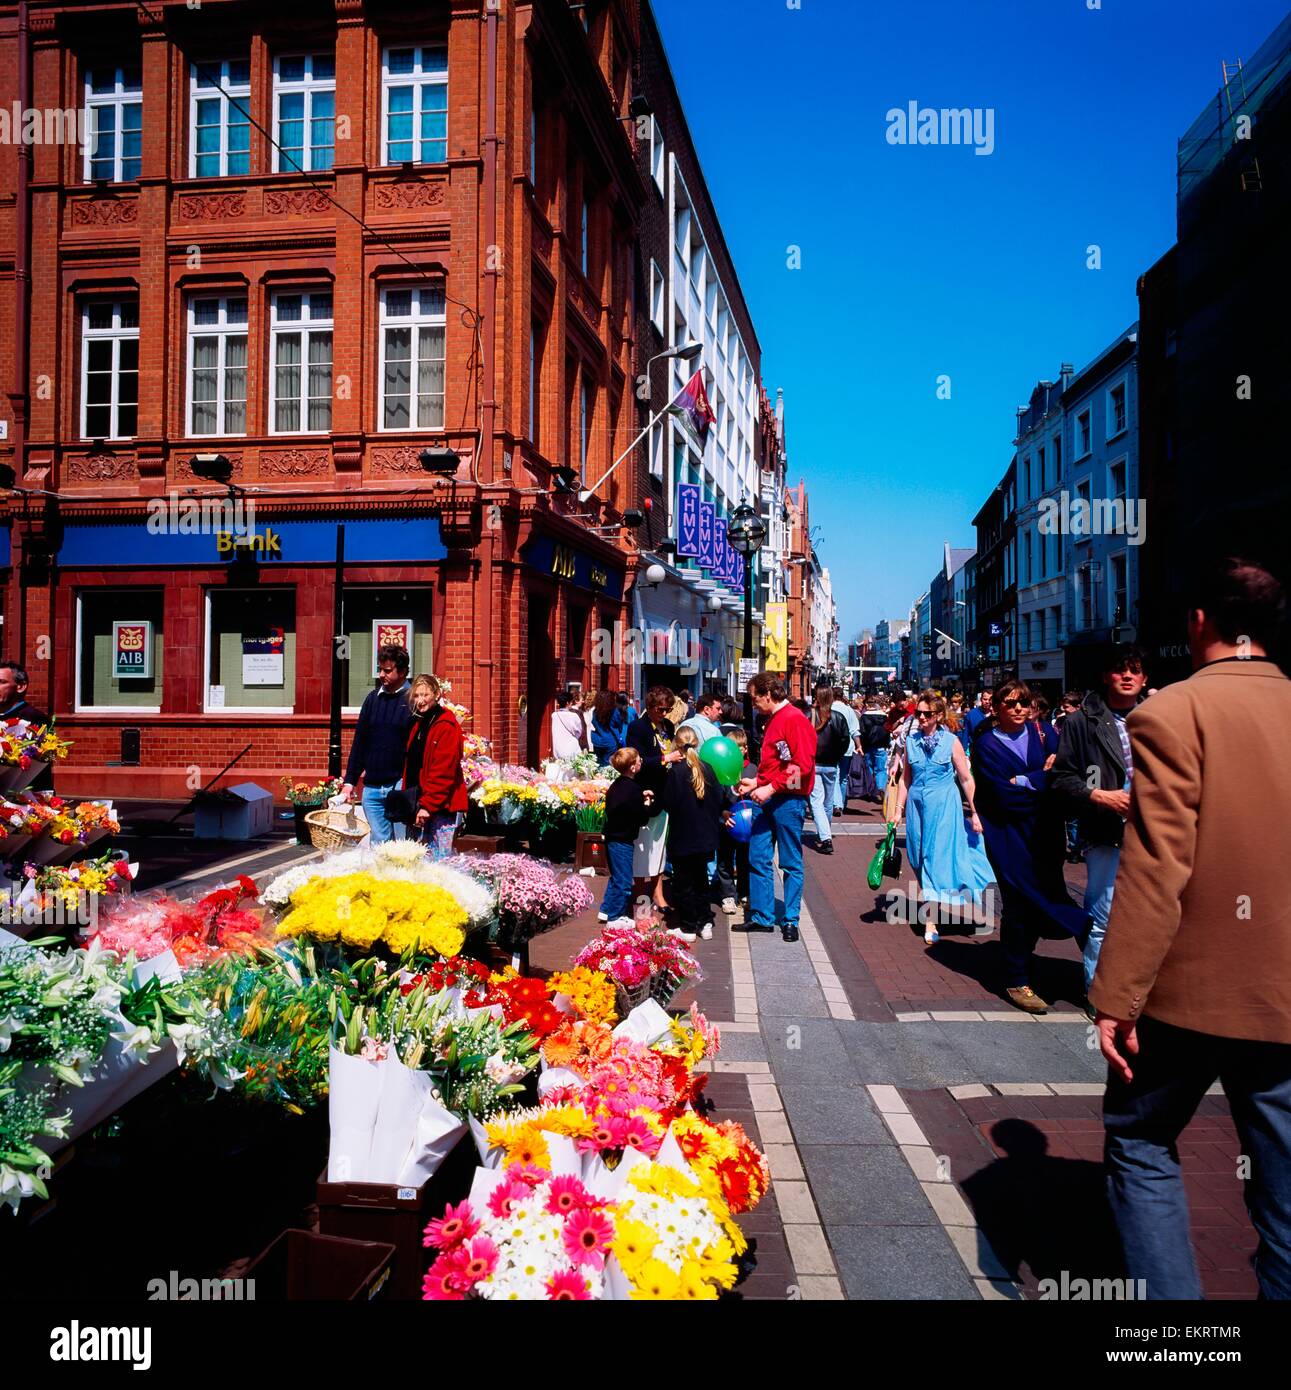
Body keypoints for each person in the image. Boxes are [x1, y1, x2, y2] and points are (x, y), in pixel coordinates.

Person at [1093, 557, 1291, 1301]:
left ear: (1199, 622)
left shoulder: (1171, 712)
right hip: (1282, 994)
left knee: (1141, 1140)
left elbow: (1157, 867)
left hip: (1187, 992)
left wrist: (1116, 994)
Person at [970, 677, 1090, 1014]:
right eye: (1010, 703)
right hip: (1007, 837)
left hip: (1045, 836)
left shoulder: (1044, 733)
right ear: (997, 708)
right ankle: (1016, 978)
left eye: (1023, 702)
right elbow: (1002, 797)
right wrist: (1042, 780)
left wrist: (1027, 780)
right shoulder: (986, 745)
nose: (1019, 708)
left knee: (1050, 893)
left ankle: (1095, 973)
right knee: (1019, 903)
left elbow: (1065, 774)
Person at [1050, 646, 1147, 994]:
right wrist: (1100, 795)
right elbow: (1062, 778)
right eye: (1120, 670)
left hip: (1153, 833)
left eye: (1134, 671)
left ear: (1144, 678)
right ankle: (1099, 990)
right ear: (1107, 676)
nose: (1127, 676)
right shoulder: (1082, 722)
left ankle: (1135, 989)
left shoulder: (1156, 718)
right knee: (1104, 914)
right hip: (1107, 831)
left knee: (1149, 914)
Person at [895, 691, 994, 945]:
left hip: (944, 806)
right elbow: (906, 778)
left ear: (938, 715)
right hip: (918, 806)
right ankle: (937, 901)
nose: (921, 718)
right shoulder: (911, 741)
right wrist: (898, 809)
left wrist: (974, 812)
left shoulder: (951, 742)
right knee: (916, 856)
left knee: (934, 858)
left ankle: (931, 920)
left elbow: (965, 778)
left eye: (927, 714)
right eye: (918, 713)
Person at [736, 672, 816, 943]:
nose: (753, 703)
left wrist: (769, 787)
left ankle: (790, 919)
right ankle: (762, 916)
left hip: (787, 800)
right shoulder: (776, 720)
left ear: (767, 695)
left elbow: (801, 766)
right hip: (770, 796)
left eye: (755, 698)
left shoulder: (794, 720)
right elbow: (778, 764)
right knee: (758, 856)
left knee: (790, 861)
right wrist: (757, 781)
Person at [339, 644, 413, 844]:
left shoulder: (414, 701)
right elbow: (360, 742)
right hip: (372, 787)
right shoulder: (372, 699)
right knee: (379, 846)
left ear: (403, 671)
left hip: (399, 785)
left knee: (403, 846)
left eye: (387, 670)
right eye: (380, 669)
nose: (382, 674)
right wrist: (349, 782)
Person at [625, 686, 684, 921]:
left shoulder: (668, 727)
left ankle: (659, 896)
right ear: (649, 707)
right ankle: (641, 900)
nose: (665, 713)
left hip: (664, 793)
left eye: (668, 709)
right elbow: (635, 759)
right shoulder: (637, 728)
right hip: (645, 792)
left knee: (660, 849)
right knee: (643, 850)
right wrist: (665, 758)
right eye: (661, 709)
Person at [662, 726, 723, 942]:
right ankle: (704, 921)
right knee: (701, 881)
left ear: (677, 746)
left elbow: (668, 803)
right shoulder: (708, 769)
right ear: (697, 743)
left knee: (683, 884)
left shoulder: (676, 773)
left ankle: (688, 925)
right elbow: (718, 800)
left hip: (683, 835)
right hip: (705, 834)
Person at [403, 673, 467, 855]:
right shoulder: (420, 723)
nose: (420, 701)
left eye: (425, 695)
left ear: (437, 694)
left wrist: (427, 806)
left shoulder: (446, 725)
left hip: (439, 808)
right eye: (416, 695)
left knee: (439, 863)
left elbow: (443, 772)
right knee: (417, 860)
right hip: (419, 803)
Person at [599, 745, 655, 925]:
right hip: (622, 839)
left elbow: (625, 805)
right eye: (638, 759)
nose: (641, 761)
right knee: (623, 881)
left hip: (612, 837)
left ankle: (606, 909)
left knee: (616, 876)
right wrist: (646, 804)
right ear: (632, 767)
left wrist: (640, 796)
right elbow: (641, 818)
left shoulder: (618, 785)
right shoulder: (632, 789)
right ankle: (615, 917)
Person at [714, 726, 754, 913]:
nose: (739, 751)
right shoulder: (721, 771)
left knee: (745, 859)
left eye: (742, 747)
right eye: (734, 747)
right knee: (724, 860)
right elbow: (716, 798)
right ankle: (727, 895)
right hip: (727, 822)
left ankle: (744, 892)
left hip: (747, 825)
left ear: (746, 749)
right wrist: (722, 813)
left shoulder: (752, 770)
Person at [807, 681, 849, 855]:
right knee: (827, 802)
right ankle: (825, 833)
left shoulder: (811, 716)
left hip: (814, 763)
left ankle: (825, 837)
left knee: (816, 801)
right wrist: (837, 756)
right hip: (831, 765)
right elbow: (845, 740)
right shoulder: (838, 717)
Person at [0, 660, 55, 792]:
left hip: (26, 796)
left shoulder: (35, 719)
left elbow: (35, 764)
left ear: (21, 686)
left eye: (2, 682)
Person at [831, 685, 861, 816]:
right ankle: (841, 803)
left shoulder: (829, 709)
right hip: (848, 748)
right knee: (843, 777)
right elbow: (855, 731)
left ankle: (837, 805)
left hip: (832, 747)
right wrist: (859, 746)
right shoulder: (849, 710)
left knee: (836, 776)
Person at [860, 696, 891, 798]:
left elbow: (862, 732)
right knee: (881, 768)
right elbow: (887, 731)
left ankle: (870, 789)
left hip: (868, 746)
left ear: (868, 705)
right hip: (882, 746)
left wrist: (861, 746)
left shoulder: (864, 717)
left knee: (869, 767)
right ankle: (881, 787)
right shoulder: (884, 716)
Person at [589, 689, 627, 767]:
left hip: (597, 741)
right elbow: (619, 725)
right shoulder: (614, 711)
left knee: (598, 765)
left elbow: (593, 722)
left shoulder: (595, 711)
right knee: (609, 765)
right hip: (610, 741)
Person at [550, 688, 588, 760]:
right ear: (567, 703)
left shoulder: (554, 715)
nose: (571, 703)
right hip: (571, 748)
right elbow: (579, 732)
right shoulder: (574, 716)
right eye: (571, 702)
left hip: (557, 748)